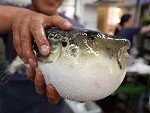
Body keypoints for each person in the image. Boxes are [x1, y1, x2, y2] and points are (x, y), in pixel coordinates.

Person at [0, 0, 83, 113]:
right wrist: (19, 16)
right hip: (12, 99)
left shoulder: (75, 28)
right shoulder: (9, 8)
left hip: (51, 104)